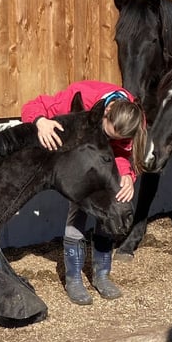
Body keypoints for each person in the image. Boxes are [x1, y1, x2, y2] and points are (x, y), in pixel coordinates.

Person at [21, 80, 146, 305]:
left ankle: (101, 275)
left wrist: (127, 175)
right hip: (81, 161)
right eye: (107, 133)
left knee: (111, 209)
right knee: (78, 209)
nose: (111, 140)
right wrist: (40, 121)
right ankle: (74, 279)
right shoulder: (84, 96)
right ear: (105, 112)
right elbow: (34, 105)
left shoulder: (134, 118)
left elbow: (124, 152)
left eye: (116, 138)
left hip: (108, 164)